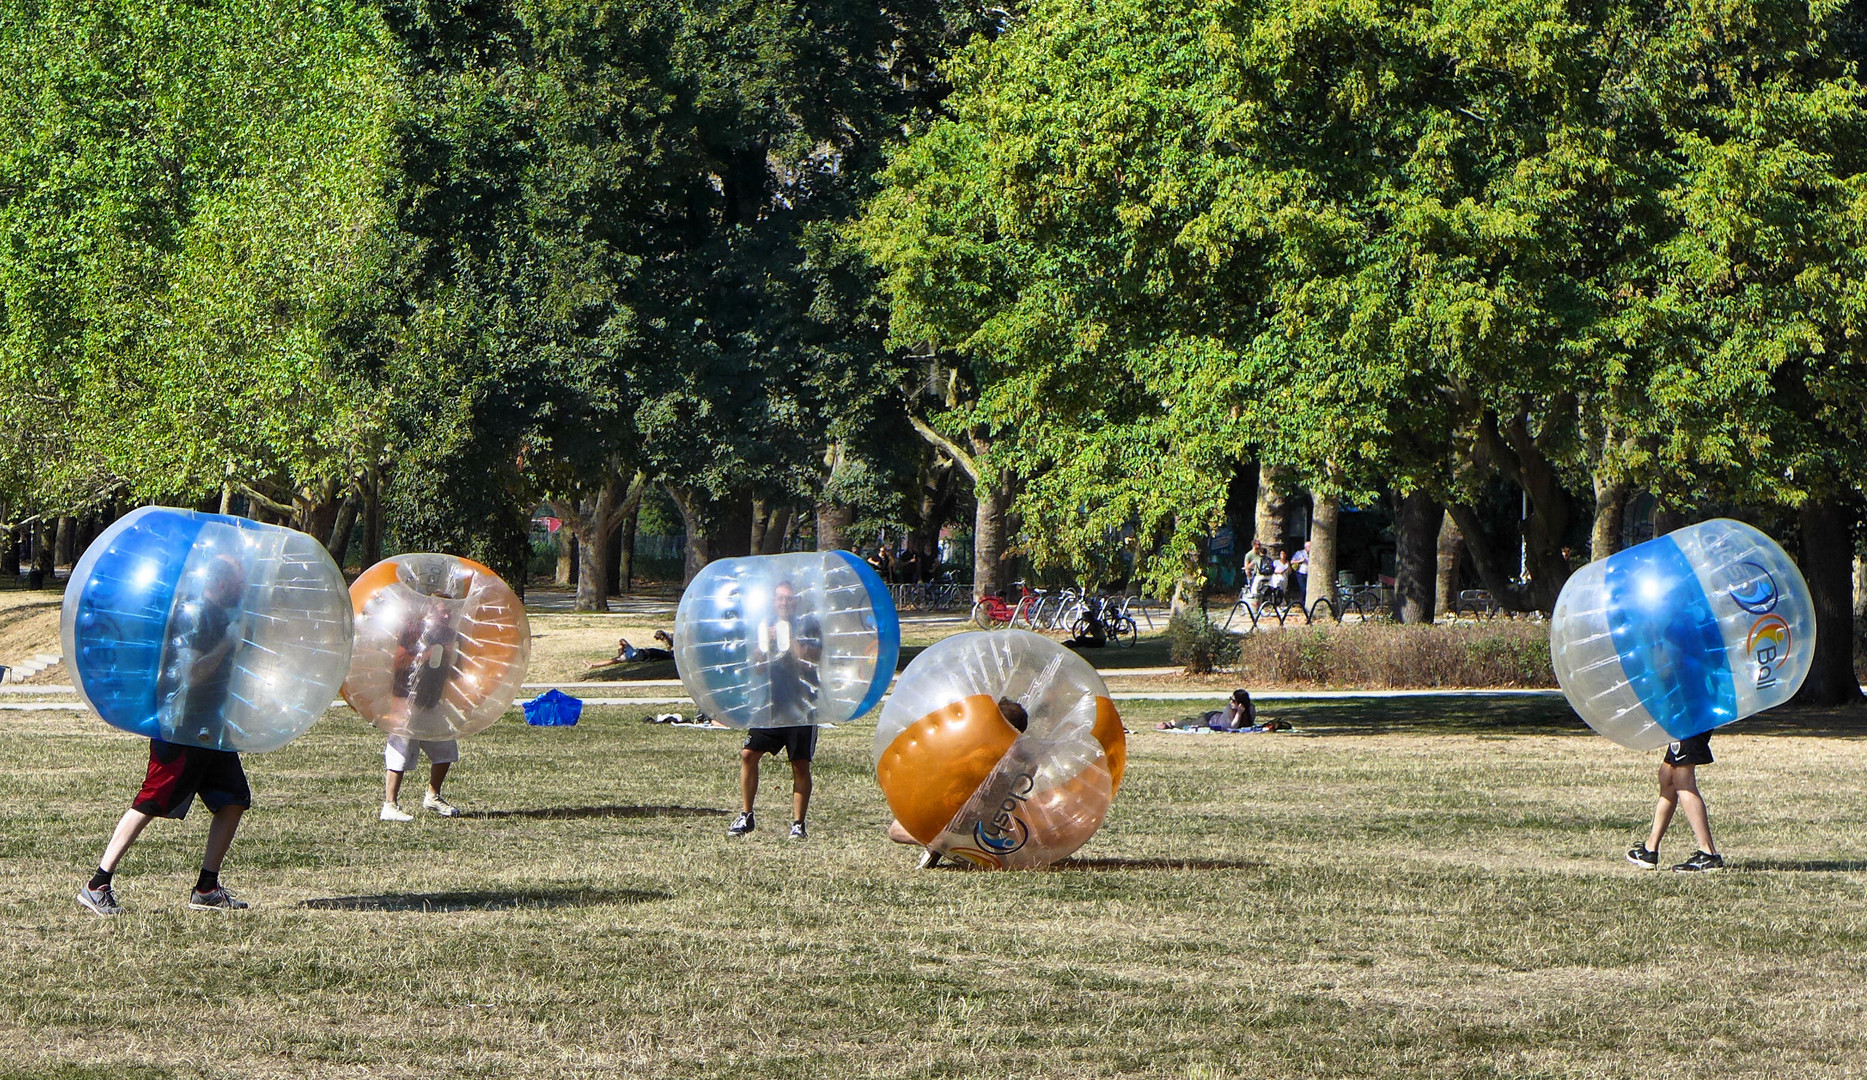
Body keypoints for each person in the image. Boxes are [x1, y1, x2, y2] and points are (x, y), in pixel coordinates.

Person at [78, 555, 252, 916]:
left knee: (233, 798)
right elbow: (193, 675)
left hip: (210, 727)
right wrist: (227, 645)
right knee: (151, 800)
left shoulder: (221, 616)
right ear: (219, 583)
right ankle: (97, 884)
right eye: (237, 583)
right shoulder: (195, 616)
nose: (242, 590)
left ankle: (206, 888)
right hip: (181, 727)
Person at [728, 580, 821, 840]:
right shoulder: (764, 624)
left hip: (802, 705)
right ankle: (746, 816)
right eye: (780, 599)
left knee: (799, 764)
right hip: (771, 705)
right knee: (748, 754)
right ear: (773, 601)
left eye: (789, 599)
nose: (784, 603)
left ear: (796, 602)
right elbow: (757, 666)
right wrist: (764, 643)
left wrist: (787, 636)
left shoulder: (809, 626)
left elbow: (807, 661)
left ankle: (798, 824)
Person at [889, 698, 1029, 868]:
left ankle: (942, 842)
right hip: (967, 816)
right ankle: (943, 841)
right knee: (896, 830)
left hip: (967, 817)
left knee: (896, 830)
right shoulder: (981, 750)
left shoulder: (979, 747)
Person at [380, 596, 464, 821]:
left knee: (445, 749)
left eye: (450, 613)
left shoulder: (451, 635)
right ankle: (390, 805)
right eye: (442, 612)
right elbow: (397, 661)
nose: (447, 617)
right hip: (406, 698)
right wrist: (425, 655)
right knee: (400, 749)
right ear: (430, 610)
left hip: (431, 699)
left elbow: (455, 672)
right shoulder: (412, 629)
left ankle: (433, 796)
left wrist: (451, 660)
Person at [1626, 732, 1723, 872]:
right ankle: (1650, 849)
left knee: (1682, 779)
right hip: (1681, 724)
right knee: (1667, 775)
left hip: (1689, 722)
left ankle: (1709, 854)